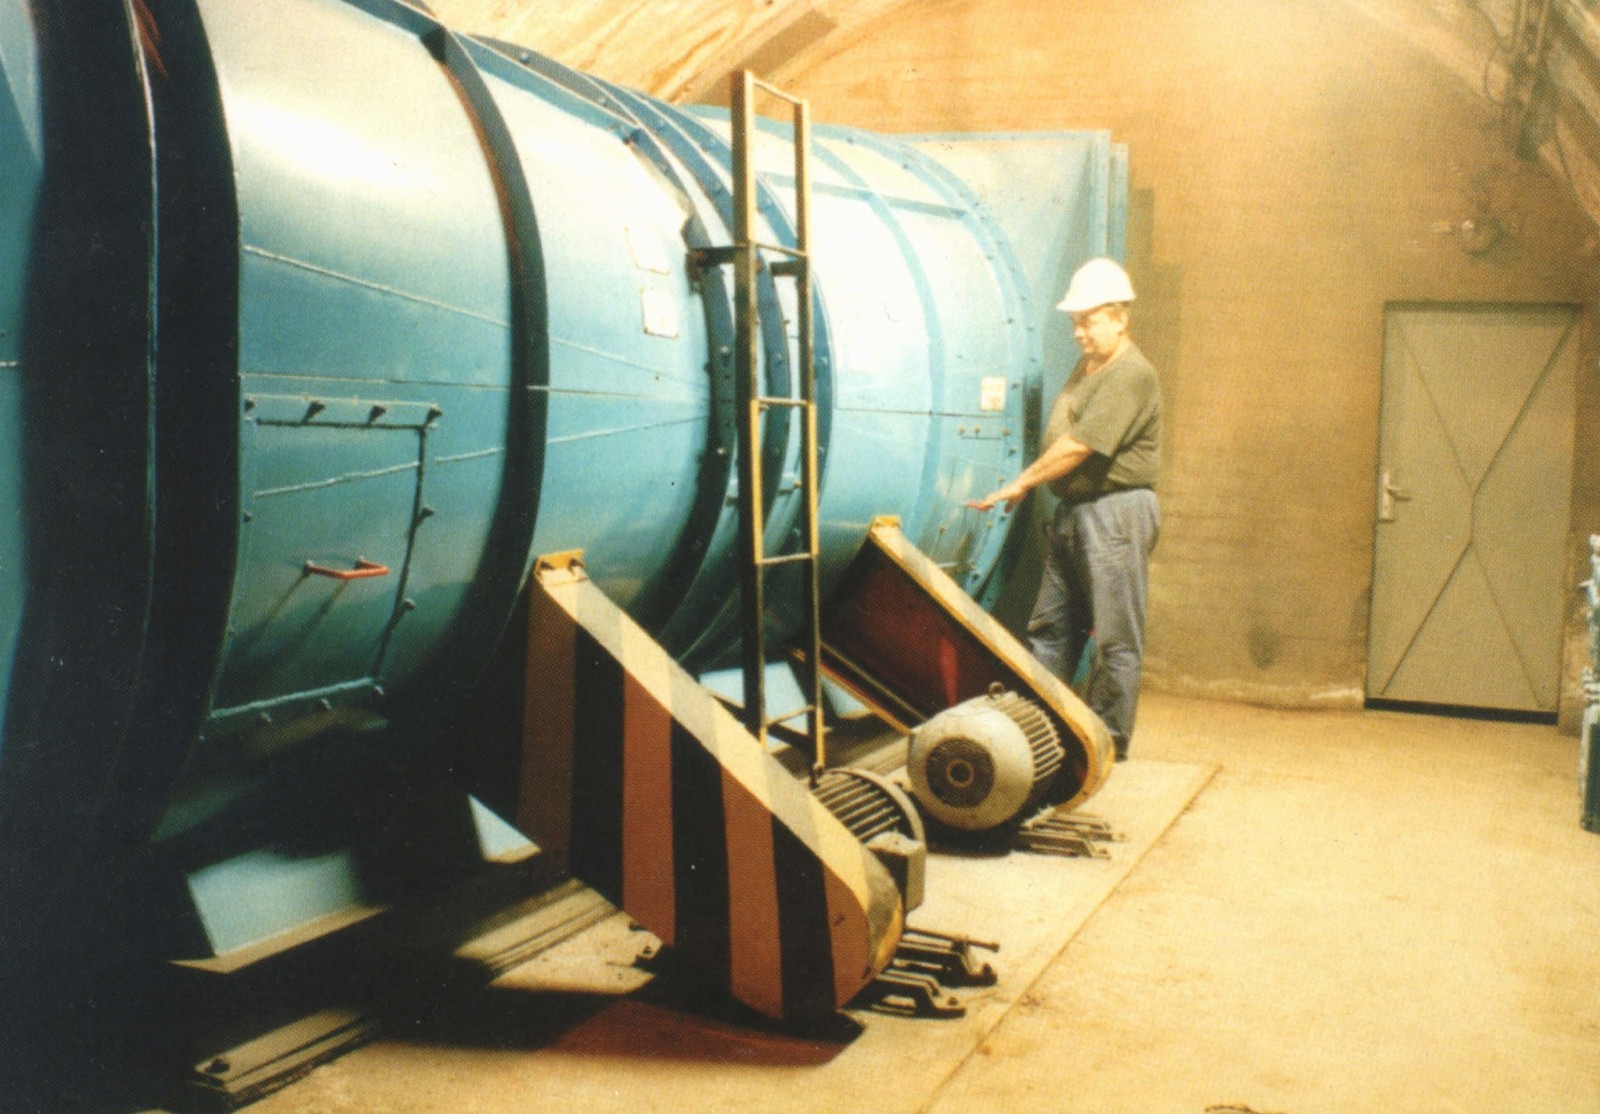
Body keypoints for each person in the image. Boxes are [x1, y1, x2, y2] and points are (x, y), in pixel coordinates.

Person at [968, 257, 1161, 762]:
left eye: (1089, 319)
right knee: (1050, 630)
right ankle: (1042, 734)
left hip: (1116, 513)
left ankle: (1105, 744)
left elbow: (1079, 446)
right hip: (1077, 511)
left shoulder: (1132, 373)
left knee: (1115, 637)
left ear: (1121, 318)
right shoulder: (1089, 366)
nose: (1079, 331)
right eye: (1075, 321)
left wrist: (1020, 484)